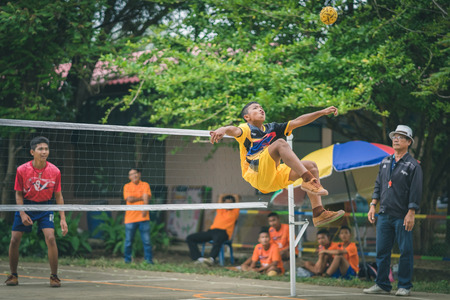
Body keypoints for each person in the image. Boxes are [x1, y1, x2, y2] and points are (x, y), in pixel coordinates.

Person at [209, 102, 344, 227]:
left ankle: (318, 213)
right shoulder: (245, 129)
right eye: (255, 108)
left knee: (312, 165)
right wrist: (223, 129)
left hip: (274, 176)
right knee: (280, 143)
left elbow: (298, 121)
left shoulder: (273, 128)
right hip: (256, 173)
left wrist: (321, 112)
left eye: (261, 107)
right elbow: (234, 130)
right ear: (247, 117)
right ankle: (308, 179)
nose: (260, 109)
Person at [363, 125, 423, 296]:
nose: (396, 139)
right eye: (395, 136)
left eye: (401, 137)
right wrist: (373, 205)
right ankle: (382, 284)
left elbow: (416, 191)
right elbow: (378, 184)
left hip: (403, 216)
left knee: (405, 251)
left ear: (409, 142)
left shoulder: (413, 165)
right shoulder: (385, 161)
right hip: (384, 214)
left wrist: (411, 212)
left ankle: (404, 285)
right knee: (381, 251)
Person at [5, 136, 68, 287]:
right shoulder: (22, 170)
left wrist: (63, 219)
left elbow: (58, 196)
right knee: (14, 240)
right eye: (40, 149)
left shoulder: (55, 171)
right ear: (32, 152)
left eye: (46, 149)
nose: (44, 152)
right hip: (26, 205)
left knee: (51, 238)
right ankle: (13, 275)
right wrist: (22, 213)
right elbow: (18, 194)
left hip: (46, 206)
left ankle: (54, 276)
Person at [186, 194, 240, 265]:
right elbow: (221, 196)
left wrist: (233, 195)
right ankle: (199, 259)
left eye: (230, 203)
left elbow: (237, 197)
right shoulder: (220, 209)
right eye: (226, 203)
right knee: (190, 238)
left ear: (233, 204)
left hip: (224, 232)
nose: (228, 204)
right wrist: (226, 195)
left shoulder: (235, 212)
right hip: (212, 231)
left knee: (217, 239)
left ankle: (211, 259)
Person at [123, 168, 153, 264]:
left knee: (147, 242)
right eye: (131, 174)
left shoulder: (145, 185)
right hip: (130, 218)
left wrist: (144, 208)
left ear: (139, 174)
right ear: (129, 177)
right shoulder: (127, 186)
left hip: (144, 217)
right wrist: (142, 198)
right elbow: (129, 199)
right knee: (128, 242)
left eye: (135, 173)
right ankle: (127, 261)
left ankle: (148, 261)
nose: (134, 175)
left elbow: (147, 198)